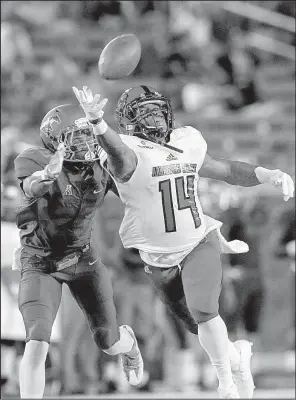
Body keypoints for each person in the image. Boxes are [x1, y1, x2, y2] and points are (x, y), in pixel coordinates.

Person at [72, 84, 294, 399]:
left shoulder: (186, 141)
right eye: (146, 113)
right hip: (156, 257)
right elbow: (117, 153)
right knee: (196, 326)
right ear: (130, 122)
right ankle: (236, 358)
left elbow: (226, 170)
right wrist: (98, 124)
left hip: (197, 241)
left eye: (158, 110)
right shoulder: (128, 151)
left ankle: (225, 385)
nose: (157, 118)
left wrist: (268, 174)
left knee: (205, 312)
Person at [13, 102, 143, 398]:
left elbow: (134, 186)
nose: (86, 142)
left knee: (108, 342)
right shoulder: (35, 159)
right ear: (55, 139)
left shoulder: (100, 166)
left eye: (88, 135)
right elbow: (31, 187)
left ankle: (128, 343)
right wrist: (46, 176)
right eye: (76, 136)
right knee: (37, 342)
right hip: (40, 262)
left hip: (83, 261)